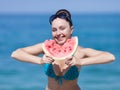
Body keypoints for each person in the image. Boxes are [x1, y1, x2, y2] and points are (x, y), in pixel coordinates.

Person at [11, 9, 115, 90]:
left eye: (62, 28)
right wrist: (40, 60)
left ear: (71, 29)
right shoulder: (46, 47)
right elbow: (16, 54)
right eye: (54, 30)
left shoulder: (80, 51)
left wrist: (81, 61)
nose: (58, 33)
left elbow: (110, 57)